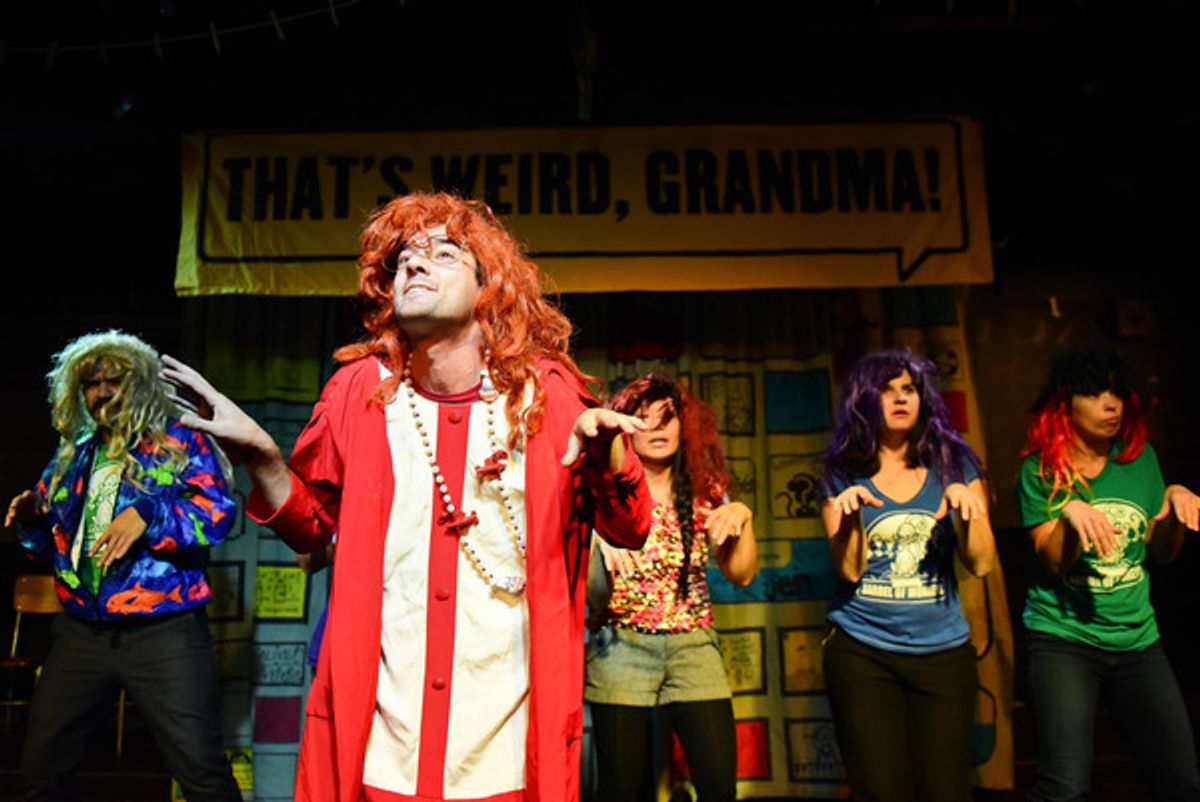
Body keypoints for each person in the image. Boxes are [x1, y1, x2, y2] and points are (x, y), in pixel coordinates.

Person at [160, 193, 653, 802]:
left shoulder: (546, 396)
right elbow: (312, 530)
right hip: (382, 754)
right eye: (404, 259)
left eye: (444, 254)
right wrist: (262, 455)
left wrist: (610, 458)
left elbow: (630, 531)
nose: (415, 266)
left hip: (503, 757)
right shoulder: (358, 393)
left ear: (488, 288)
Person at [4, 330, 241, 802]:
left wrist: (150, 513)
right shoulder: (75, 452)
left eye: (116, 380)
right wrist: (32, 516)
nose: (104, 392)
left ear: (143, 385)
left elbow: (217, 516)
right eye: (92, 383)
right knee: (42, 770)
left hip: (163, 633)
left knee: (202, 772)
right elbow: (44, 546)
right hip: (81, 634)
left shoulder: (179, 442)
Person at [1017, 347, 1200, 802]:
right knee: (1064, 787)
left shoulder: (1140, 460)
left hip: (1139, 641)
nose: (1110, 404)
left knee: (1181, 782)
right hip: (1064, 641)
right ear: (1065, 404)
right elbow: (1055, 564)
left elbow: (1162, 554)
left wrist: (1175, 506)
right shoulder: (1039, 470)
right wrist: (1071, 515)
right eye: (1095, 393)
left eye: (1117, 392)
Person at [820, 349, 995, 802]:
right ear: (863, 400)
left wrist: (966, 508)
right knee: (882, 790)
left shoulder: (954, 465)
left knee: (946, 790)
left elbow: (982, 563)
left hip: (943, 655)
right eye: (886, 389)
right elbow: (849, 569)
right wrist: (853, 515)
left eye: (909, 389)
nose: (900, 398)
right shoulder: (842, 472)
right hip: (864, 653)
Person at [586, 372, 757, 802]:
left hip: (692, 647)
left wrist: (742, 515)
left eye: (667, 417)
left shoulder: (705, 490)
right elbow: (586, 587)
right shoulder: (603, 495)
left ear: (685, 425)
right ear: (624, 429)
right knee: (621, 789)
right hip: (620, 646)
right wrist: (595, 539)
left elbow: (742, 574)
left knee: (719, 786)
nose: (657, 428)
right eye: (642, 419)